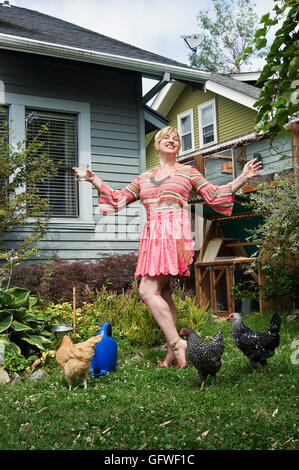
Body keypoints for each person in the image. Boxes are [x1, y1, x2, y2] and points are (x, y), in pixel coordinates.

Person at [73, 126, 262, 368]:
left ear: (178, 147)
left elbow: (214, 194)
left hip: (174, 234)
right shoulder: (143, 178)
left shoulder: (188, 172)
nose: (171, 140)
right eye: (166, 138)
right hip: (153, 236)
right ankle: (173, 353)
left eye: (176, 139)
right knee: (162, 292)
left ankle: (177, 344)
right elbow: (118, 198)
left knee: (147, 291)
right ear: (158, 144)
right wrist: (92, 178)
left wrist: (243, 178)